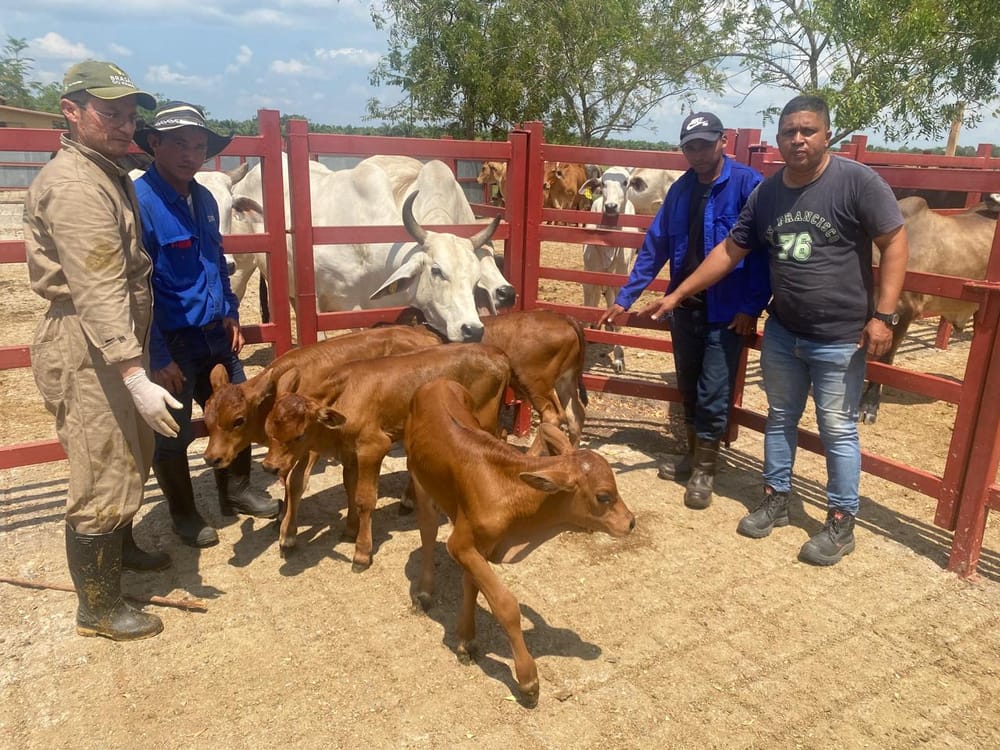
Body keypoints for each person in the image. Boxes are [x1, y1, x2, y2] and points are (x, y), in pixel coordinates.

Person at [640, 95, 909, 566]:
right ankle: (775, 500)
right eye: (789, 132)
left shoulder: (857, 182)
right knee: (780, 418)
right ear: (778, 139)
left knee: (837, 430)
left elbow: (895, 241)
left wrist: (883, 315)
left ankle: (841, 524)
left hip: (840, 334)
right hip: (784, 330)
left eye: (808, 131)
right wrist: (679, 294)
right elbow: (729, 251)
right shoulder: (767, 194)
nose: (798, 139)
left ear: (827, 134)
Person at [24, 60, 176, 641]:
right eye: (108, 113)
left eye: (129, 115)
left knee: (128, 452)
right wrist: (135, 372)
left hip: (110, 341)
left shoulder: (104, 172)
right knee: (103, 467)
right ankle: (98, 606)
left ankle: (124, 548)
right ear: (72, 110)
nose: (122, 125)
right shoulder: (75, 187)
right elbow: (97, 286)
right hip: (93, 345)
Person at [598, 112, 769, 510]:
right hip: (685, 307)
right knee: (689, 385)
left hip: (727, 311)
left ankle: (706, 469)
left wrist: (751, 306)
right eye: (690, 146)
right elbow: (655, 245)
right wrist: (625, 296)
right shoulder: (680, 191)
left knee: (714, 389)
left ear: (722, 141)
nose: (697, 153)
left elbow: (763, 253)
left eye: (704, 144)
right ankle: (693, 457)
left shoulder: (747, 184)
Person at [132, 102, 278, 548]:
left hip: (216, 332)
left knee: (238, 413)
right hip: (173, 338)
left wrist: (232, 309)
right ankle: (184, 514)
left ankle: (236, 491)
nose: (190, 154)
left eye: (198, 146)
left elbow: (215, 260)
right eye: (179, 144)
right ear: (154, 144)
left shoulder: (206, 199)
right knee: (172, 431)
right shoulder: (140, 203)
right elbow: (138, 284)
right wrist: (157, 355)